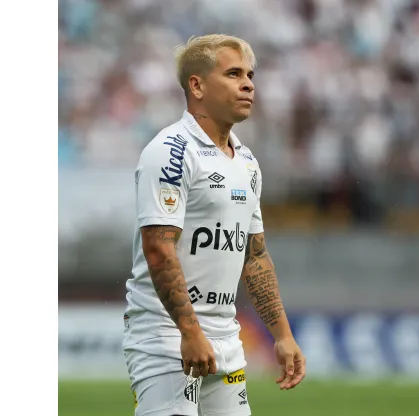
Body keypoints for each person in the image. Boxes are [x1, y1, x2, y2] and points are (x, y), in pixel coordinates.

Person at [122, 34, 306, 416]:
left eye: (250, 75)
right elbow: (159, 248)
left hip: (226, 339)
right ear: (197, 85)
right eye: (234, 73)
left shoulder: (247, 162)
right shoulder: (171, 151)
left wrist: (283, 335)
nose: (248, 84)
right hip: (166, 337)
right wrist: (189, 333)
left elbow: (254, 257)